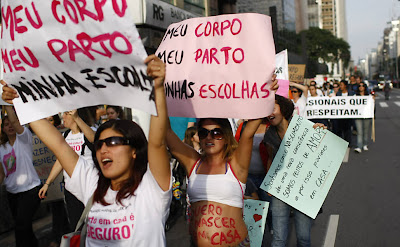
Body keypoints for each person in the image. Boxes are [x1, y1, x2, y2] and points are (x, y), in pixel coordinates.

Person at [2, 55, 172, 246]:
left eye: (113, 142)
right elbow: (57, 144)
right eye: (99, 144)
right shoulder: (92, 182)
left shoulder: (152, 187)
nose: (104, 149)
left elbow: (157, 143)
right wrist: (20, 100)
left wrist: (158, 88)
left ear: (134, 150)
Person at [165, 77, 278, 246]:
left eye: (216, 133)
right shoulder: (193, 163)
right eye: (203, 133)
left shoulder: (236, 164)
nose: (209, 137)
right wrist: (158, 92)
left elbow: (248, 132)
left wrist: (267, 93)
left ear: (226, 137)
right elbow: (166, 133)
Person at [263, 95, 326, 247]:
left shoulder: (304, 127)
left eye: (273, 108)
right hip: (280, 187)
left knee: (303, 238)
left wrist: (319, 131)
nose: (269, 113)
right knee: (278, 239)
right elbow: (271, 158)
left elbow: (318, 153)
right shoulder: (269, 134)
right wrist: (270, 182)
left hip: (302, 187)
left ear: (283, 109)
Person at [38, 108, 96, 231]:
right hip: (71, 189)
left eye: (66, 113)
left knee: (93, 225)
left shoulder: (90, 132)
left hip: (90, 189)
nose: (63, 117)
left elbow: (94, 140)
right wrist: (47, 183)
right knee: (76, 226)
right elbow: (61, 160)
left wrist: (77, 118)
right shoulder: (66, 135)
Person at [0, 105, 41, 247]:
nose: (10, 126)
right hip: (12, 192)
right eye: (6, 124)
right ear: (3, 129)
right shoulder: (1, 148)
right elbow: (1, 172)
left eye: (11, 123)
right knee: (26, 228)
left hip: (30, 190)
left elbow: (16, 123)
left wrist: (6, 104)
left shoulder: (24, 139)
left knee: (20, 227)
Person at [333, 80, 355, 145]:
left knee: (348, 130)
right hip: (340, 115)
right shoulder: (338, 94)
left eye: (341, 85)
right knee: (340, 129)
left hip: (348, 115)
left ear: (345, 86)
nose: (340, 87)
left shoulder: (351, 93)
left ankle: (348, 143)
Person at [354, 82, 372, 153]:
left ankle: (365, 144)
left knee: (365, 131)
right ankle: (359, 146)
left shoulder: (368, 96)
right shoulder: (355, 96)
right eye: (360, 86)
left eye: (362, 86)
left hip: (366, 115)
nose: (361, 87)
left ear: (364, 87)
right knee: (359, 131)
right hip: (358, 116)